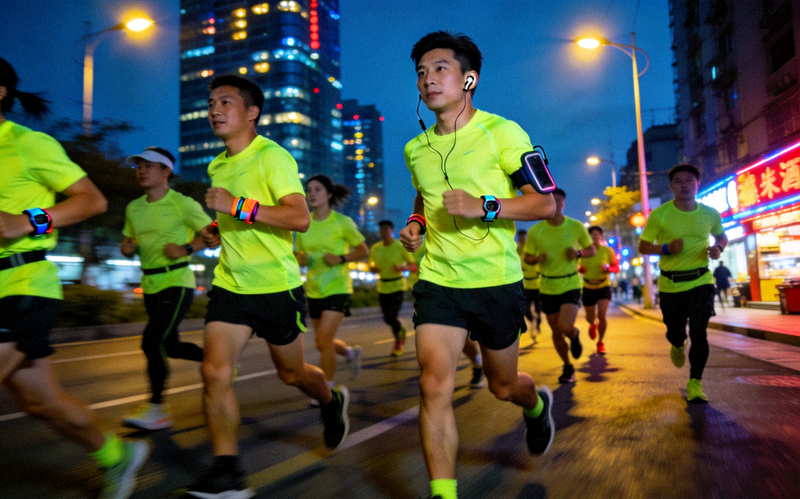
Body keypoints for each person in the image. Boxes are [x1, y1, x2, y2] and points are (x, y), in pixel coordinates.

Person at [399, 31, 557, 499]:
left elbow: (544, 205)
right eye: (422, 73)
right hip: (439, 281)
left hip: (496, 281)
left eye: (440, 69)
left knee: (503, 386)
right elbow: (425, 195)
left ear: (469, 78)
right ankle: (443, 494)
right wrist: (415, 222)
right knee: (432, 385)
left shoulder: (504, 133)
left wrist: (484, 206)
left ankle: (534, 404)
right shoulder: (416, 148)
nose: (429, 80)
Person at [184, 74, 349, 498]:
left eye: (225, 102)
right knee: (214, 372)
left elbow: (298, 218)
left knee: (291, 373)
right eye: (211, 104)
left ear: (252, 112)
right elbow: (237, 219)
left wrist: (236, 206)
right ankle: (229, 473)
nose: (214, 110)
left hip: (276, 287)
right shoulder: (217, 164)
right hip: (230, 286)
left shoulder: (271, 157)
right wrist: (215, 230)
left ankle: (331, 402)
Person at [0, 57, 149, 499]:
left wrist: (29, 221)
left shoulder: (28, 144)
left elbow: (91, 201)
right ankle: (117, 456)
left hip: (23, 285)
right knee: (41, 403)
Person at [119, 147, 210, 430]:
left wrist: (186, 248)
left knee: (151, 342)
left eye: (149, 166)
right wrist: (127, 247)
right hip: (150, 284)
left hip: (176, 282)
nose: (141, 170)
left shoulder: (182, 203)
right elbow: (127, 243)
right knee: (172, 346)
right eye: (139, 166)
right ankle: (220, 363)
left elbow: (213, 234)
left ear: (166, 171)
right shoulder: (133, 208)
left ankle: (157, 409)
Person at [638, 163, 727, 404]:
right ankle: (677, 344)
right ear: (671, 186)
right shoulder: (660, 215)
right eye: (678, 181)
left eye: (689, 180)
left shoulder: (710, 213)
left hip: (701, 281)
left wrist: (718, 248)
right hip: (670, 285)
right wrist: (666, 248)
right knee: (676, 333)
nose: (684, 185)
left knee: (699, 333)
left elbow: (721, 235)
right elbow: (643, 246)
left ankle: (695, 382)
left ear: (697, 184)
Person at [295, 174, 368, 394]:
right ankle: (349, 353)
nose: (312, 194)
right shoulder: (303, 223)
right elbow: (298, 253)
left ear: (328, 194)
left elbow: (363, 250)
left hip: (337, 287)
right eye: (309, 190)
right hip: (314, 289)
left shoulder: (342, 222)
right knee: (321, 341)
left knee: (323, 340)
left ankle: (327, 390)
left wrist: (341, 258)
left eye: (317, 190)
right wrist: (301, 259)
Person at [525, 188, 595, 383]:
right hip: (547, 286)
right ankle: (567, 366)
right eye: (551, 200)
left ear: (564, 203)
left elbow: (591, 250)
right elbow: (528, 257)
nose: (555, 204)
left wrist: (578, 254)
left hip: (571, 282)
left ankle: (573, 334)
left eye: (559, 201)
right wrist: (537, 258)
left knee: (565, 326)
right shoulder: (536, 230)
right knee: (555, 331)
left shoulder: (576, 227)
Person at [368, 219, 417, 356]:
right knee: (386, 318)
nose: (383, 232)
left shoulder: (400, 246)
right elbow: (371, 267)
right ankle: (400, 329)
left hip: (397, 285)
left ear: (392, 231)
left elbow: (413, 266)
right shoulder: (375, 248)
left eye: (386, 229)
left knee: (391, 315)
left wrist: (402, 268)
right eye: (381, 229)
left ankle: (398, 342)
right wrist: (373, 269)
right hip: (382, 286)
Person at [579, 226, 619, 355]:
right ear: (588, 237)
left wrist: (609, 269)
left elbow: (616, 268)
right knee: (590, 317)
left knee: (602, 316)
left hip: (603, 286)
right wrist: (580, 269)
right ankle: (592, 324)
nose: (595, 237)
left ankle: (600, 342)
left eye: (597, 234)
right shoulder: (583, 251)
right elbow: (576, 266)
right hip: (588, 286)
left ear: (601, 236)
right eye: (592, 234)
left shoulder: (608, 250)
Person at [517, 228, 542, 341]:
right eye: (520, 237)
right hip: (525, 285)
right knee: (526, 310)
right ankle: (533, 324)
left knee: (538, 310)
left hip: (537, 284)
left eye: (524, 236)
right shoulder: (517, 248)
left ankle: (537, 323)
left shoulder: (532, 248)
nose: (522, 239)